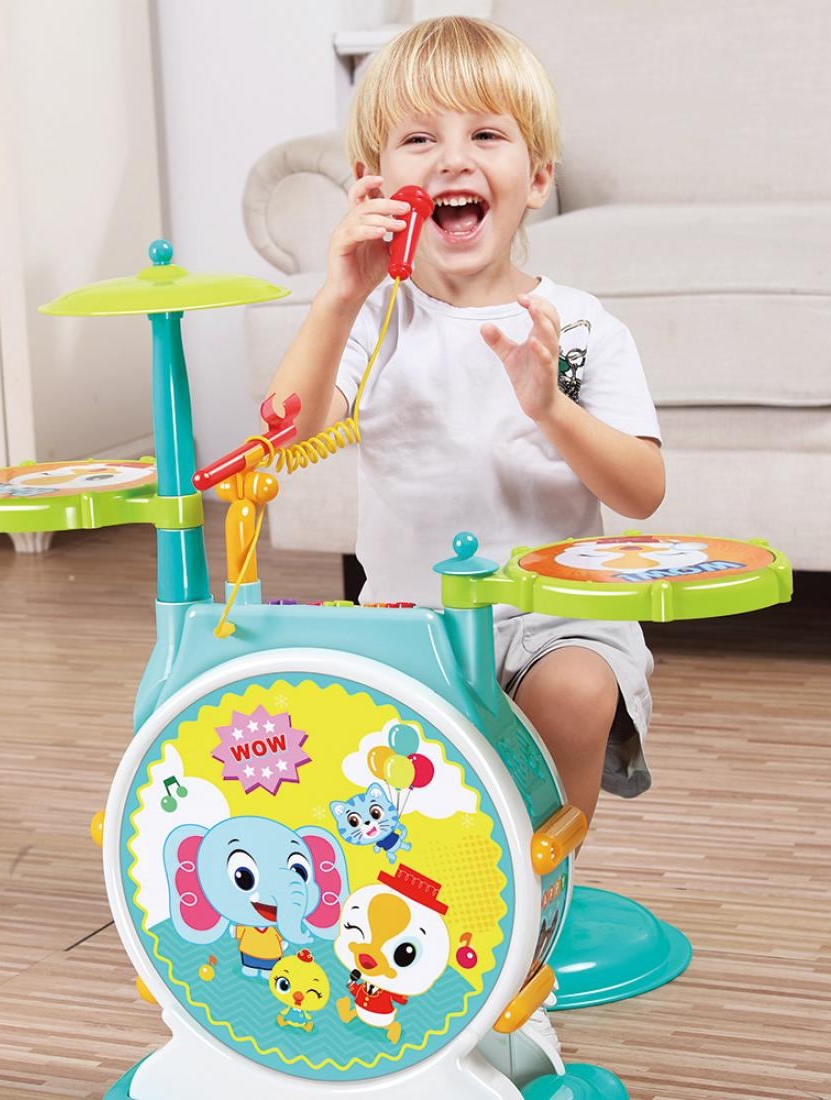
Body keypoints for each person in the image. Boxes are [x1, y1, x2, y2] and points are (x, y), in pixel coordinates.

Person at [270, 14, 663, 871]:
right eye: (420, 139)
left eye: (486, 135)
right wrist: (337, 296)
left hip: (559, 621)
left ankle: (539, 893)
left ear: (537, 179)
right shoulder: (373, 319)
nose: (453, 160)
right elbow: (286, 431)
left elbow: (641, 491)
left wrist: (551, 409)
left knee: (575, 691)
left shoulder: (581, 325)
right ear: (372, 183)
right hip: (413, 626)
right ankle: (454, 891)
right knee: (406, 808)